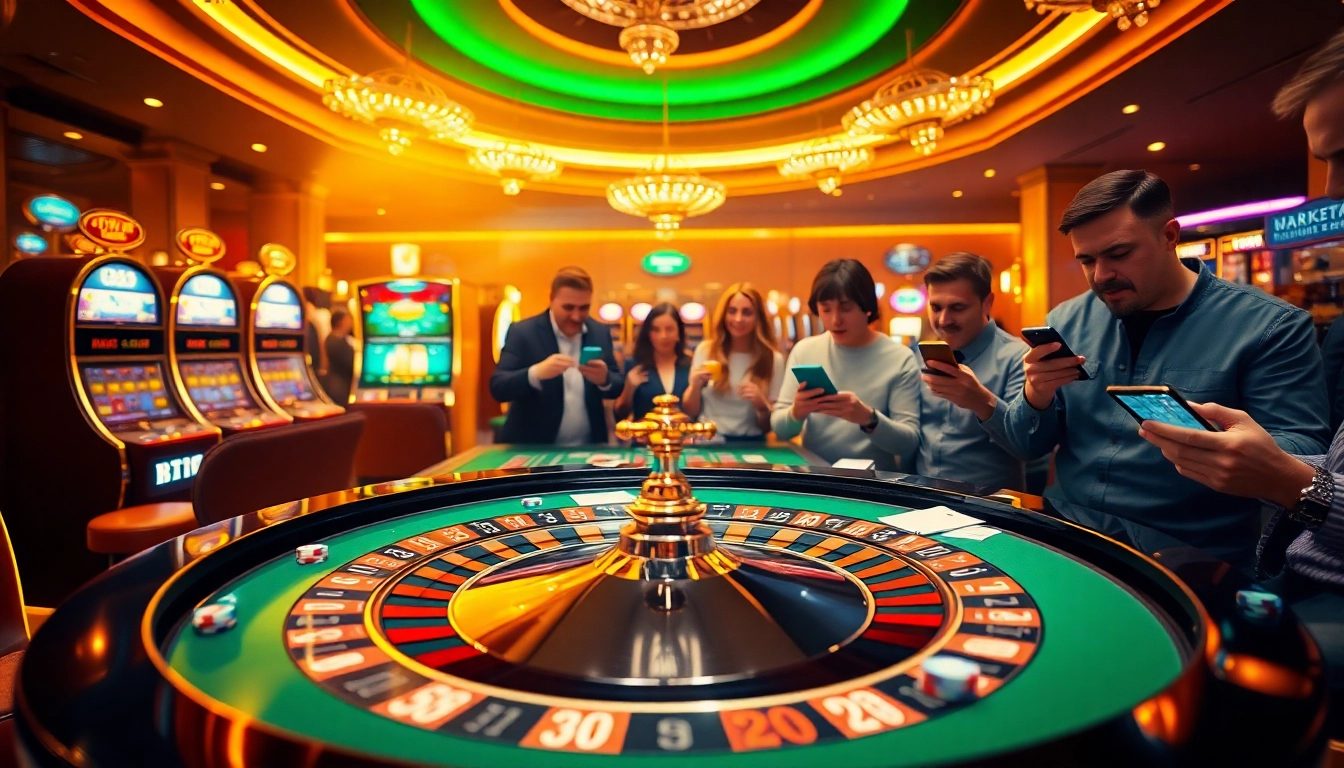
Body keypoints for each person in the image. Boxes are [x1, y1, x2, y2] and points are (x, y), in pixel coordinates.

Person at [1139, 28, 1344, 725]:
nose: (1332, 195)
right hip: (1286, 572)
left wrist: (1293, 481)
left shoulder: (1271, 322)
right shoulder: (1071, 319)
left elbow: (1307, 478)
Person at [981, 169, 1330, 571]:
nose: (1101, 276)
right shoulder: (1067, 319)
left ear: (1169, 236)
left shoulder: (1270, 325)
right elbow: (1028, 447)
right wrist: (1035, 396)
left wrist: (1233, 447)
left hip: (1194, 561)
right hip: (1069, 540)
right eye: (1087, 260)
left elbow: (1307, 456)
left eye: (1118, 254)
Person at [772, 259, 921, 470]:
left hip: (874, 482)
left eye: (846, 308)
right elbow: (780, 429)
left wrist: (869, 419)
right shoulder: (805, 351)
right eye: (826, 309)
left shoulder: (899, 357)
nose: (835, 320)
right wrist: (797, 412)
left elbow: (908, 442)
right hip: (815, 476)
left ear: (867, 308)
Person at [916, 253, 1029, 490]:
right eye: (936, 308)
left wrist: (981, 401)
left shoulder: (1018, 357)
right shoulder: (919, 355)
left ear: (987, 302)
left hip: (987, 504)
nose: (944, 320)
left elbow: (1027, 446)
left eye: (957, 307)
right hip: (922, 498)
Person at [490, 267, 622, 445]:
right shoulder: (523, 332)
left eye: (584, 308)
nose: (576, 316)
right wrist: (535, 374)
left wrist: (605, 379)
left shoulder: (599, 332)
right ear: (551, 299)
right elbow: (499, 387)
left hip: (589, 450)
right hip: (534, 449)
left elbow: (617, 385)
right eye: (568, 307)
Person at [683, 283, 785, 441]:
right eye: (732, 311)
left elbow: (769, 427)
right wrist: (695, 385)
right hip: (709, 439)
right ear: (724, 315)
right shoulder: (706, 350)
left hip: (751, 442)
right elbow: (691, 411)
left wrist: (762, 405)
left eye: (747, 312)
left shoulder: (773, 359)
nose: (738, 319)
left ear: (758, 317)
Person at [614, 302, 692, 421]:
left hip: (684, 436)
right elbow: (620, 413)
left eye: (669, 329)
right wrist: (629, 388)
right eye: (656, 330)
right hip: (645, 436)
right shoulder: (634, 364)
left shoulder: (690, 364)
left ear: (679, 333)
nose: (663, 336)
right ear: (648, 334)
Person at [321, 308, 355, 406]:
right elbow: (349, 362)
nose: (351, 323)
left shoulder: (341, 339)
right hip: (339, 387)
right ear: (341, 321)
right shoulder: (334, 341)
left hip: (341, 385)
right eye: (348, 319)